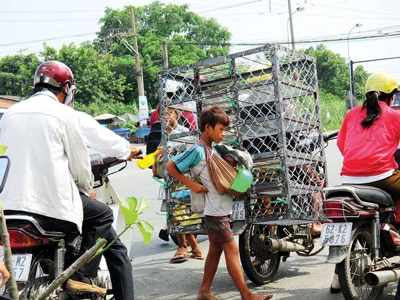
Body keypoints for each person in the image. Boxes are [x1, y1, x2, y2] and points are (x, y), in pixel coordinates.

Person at [0, 60, 133, 299]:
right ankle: (81, 277)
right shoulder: (65, 114)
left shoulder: (9, 115)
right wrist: (85, 189)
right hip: (49, 209)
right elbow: (80, 165)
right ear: (67, 87)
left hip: (8, 209)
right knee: (102, 214)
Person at [166, 105, 273, 300]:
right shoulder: (198, 150)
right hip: (214, 210)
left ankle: (204, 291)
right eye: (220, 129)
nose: (223, 134)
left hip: (221, 208)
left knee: (215, 249)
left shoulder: (212, 150)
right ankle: (246, 294)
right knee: (231, 248)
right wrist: (192, 184)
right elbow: (171, 166)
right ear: (208, 127)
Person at [330, 72, 400, 294]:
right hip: (382, 178)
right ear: (390, 97)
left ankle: (337, 278)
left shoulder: (351, 114)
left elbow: (342, 145)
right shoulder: (394, 114)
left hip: (348, 178)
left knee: (345, 222)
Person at [154, 106, 203, 262]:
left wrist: (167, 153)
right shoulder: (164, 135)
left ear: (177, 115)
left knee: (178, 211)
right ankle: (191, 248)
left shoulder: (184, 132)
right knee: (174, 212)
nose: (165, 116)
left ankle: (186, 247)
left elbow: (189, 153)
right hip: (171, 180)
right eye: (162, 114)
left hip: (183, 178)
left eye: (169, 113)